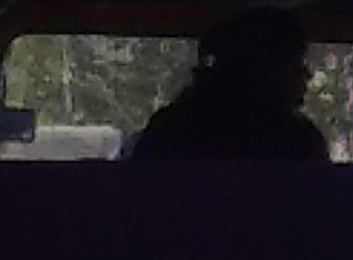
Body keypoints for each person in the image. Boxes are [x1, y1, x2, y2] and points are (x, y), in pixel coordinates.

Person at [133, 9, 329, 162]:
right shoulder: (298, 141)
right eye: (295, 64)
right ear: (264, 67)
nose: (306, 75)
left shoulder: (171, 129)